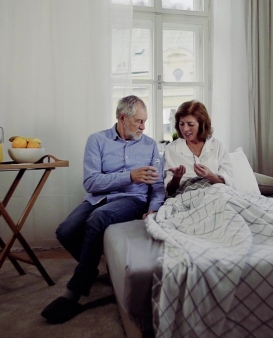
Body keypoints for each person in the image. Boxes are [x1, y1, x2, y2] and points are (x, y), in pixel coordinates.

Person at [41, 95, 165, 324]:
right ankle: (91, 268)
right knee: (65, 232)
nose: (143, 126)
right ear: (122, 118)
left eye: (144, 121)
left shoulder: (150, 146)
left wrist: (154, 208)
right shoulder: (97, 140)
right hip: (97, 198)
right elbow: (91, 182)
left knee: (98, 219)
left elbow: (157, 187)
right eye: (139, 121)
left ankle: (74, 292)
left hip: (132, 200)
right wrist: (129, 175)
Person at [163, 100, 234, 196]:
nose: (185, 129)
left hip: (217, 194)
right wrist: (177, 177)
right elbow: (170, 191)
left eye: (190, 124)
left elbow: (228, 184)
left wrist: (210, 175)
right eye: (181, 124)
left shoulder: (217, 146)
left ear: (202, 124)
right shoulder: (171, 149)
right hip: (188, 196)